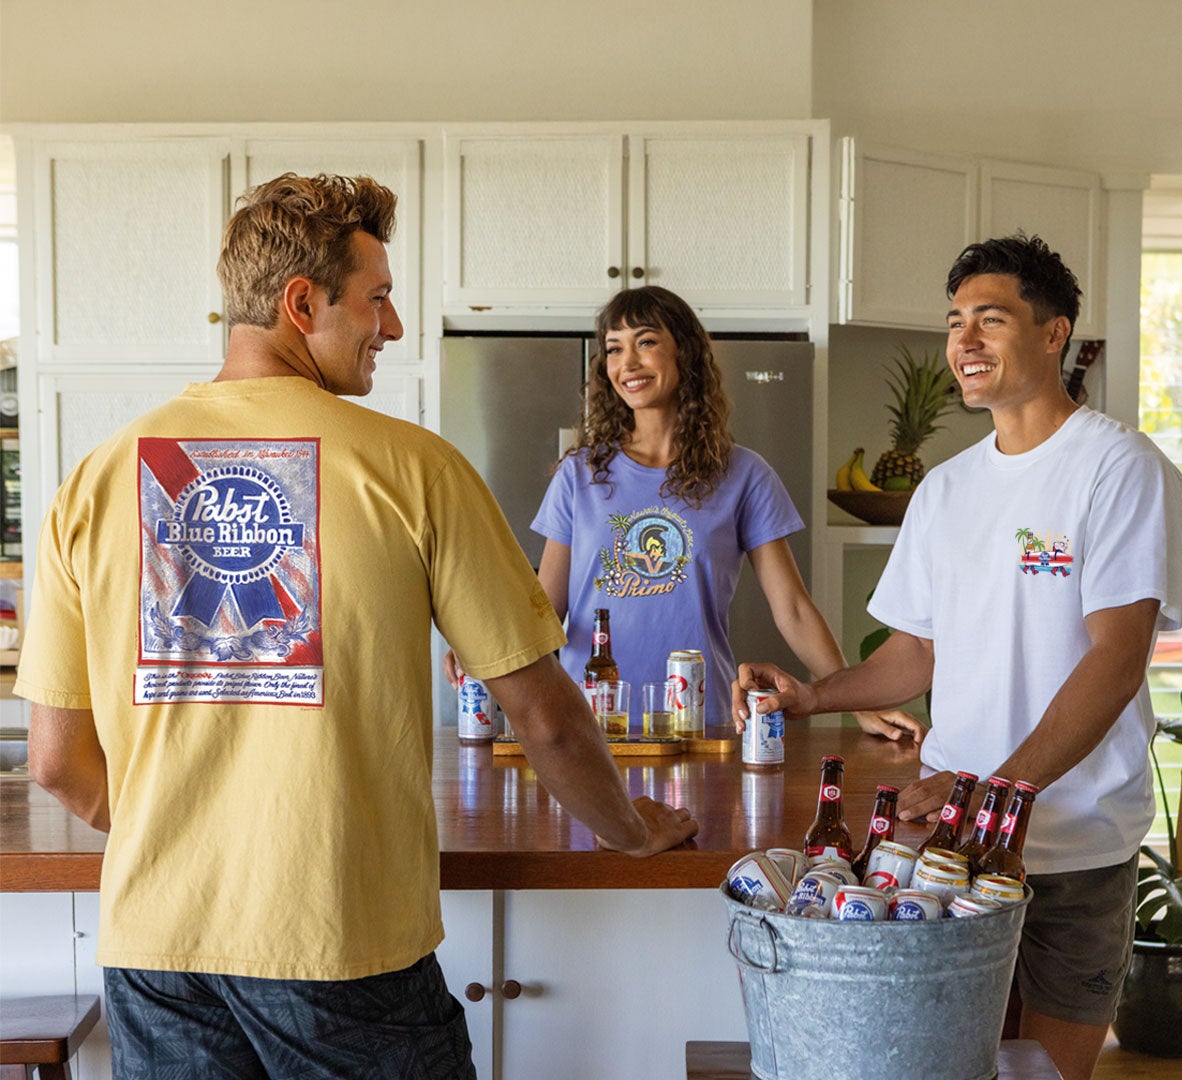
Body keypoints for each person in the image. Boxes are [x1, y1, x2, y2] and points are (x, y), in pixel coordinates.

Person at [20, 174, 696, 1080]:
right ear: (303, 303)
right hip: (339, 942)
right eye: (378, 298)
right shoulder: (413, 468)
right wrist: (629, 832)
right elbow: (543, 715)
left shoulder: (95, 481)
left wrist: (179, 846)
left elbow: (60, 762)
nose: (395, 326)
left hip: (156, 949)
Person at [733, 234, 1182, 1080]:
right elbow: (915, 653)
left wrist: (992, 790)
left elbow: (1116, 659)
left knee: (1047, 1075)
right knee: (930, 1066)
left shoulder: (1118, 468)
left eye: (992, 318)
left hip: (1071, 849)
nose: (965, 341)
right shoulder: (947, 487)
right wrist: (811, 694)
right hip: (941, 846)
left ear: (1054, 333)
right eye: (955, 322)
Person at [445, 285, 918, 743]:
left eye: (646, 342)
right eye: (613, 349)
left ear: (685, 353)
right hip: (587, 721)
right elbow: (545, 608)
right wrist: (483, 650)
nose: (626, 362)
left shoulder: (744, 474)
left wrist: (856, 701)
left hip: (699, 718)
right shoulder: (579, 474)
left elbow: (792, 609)